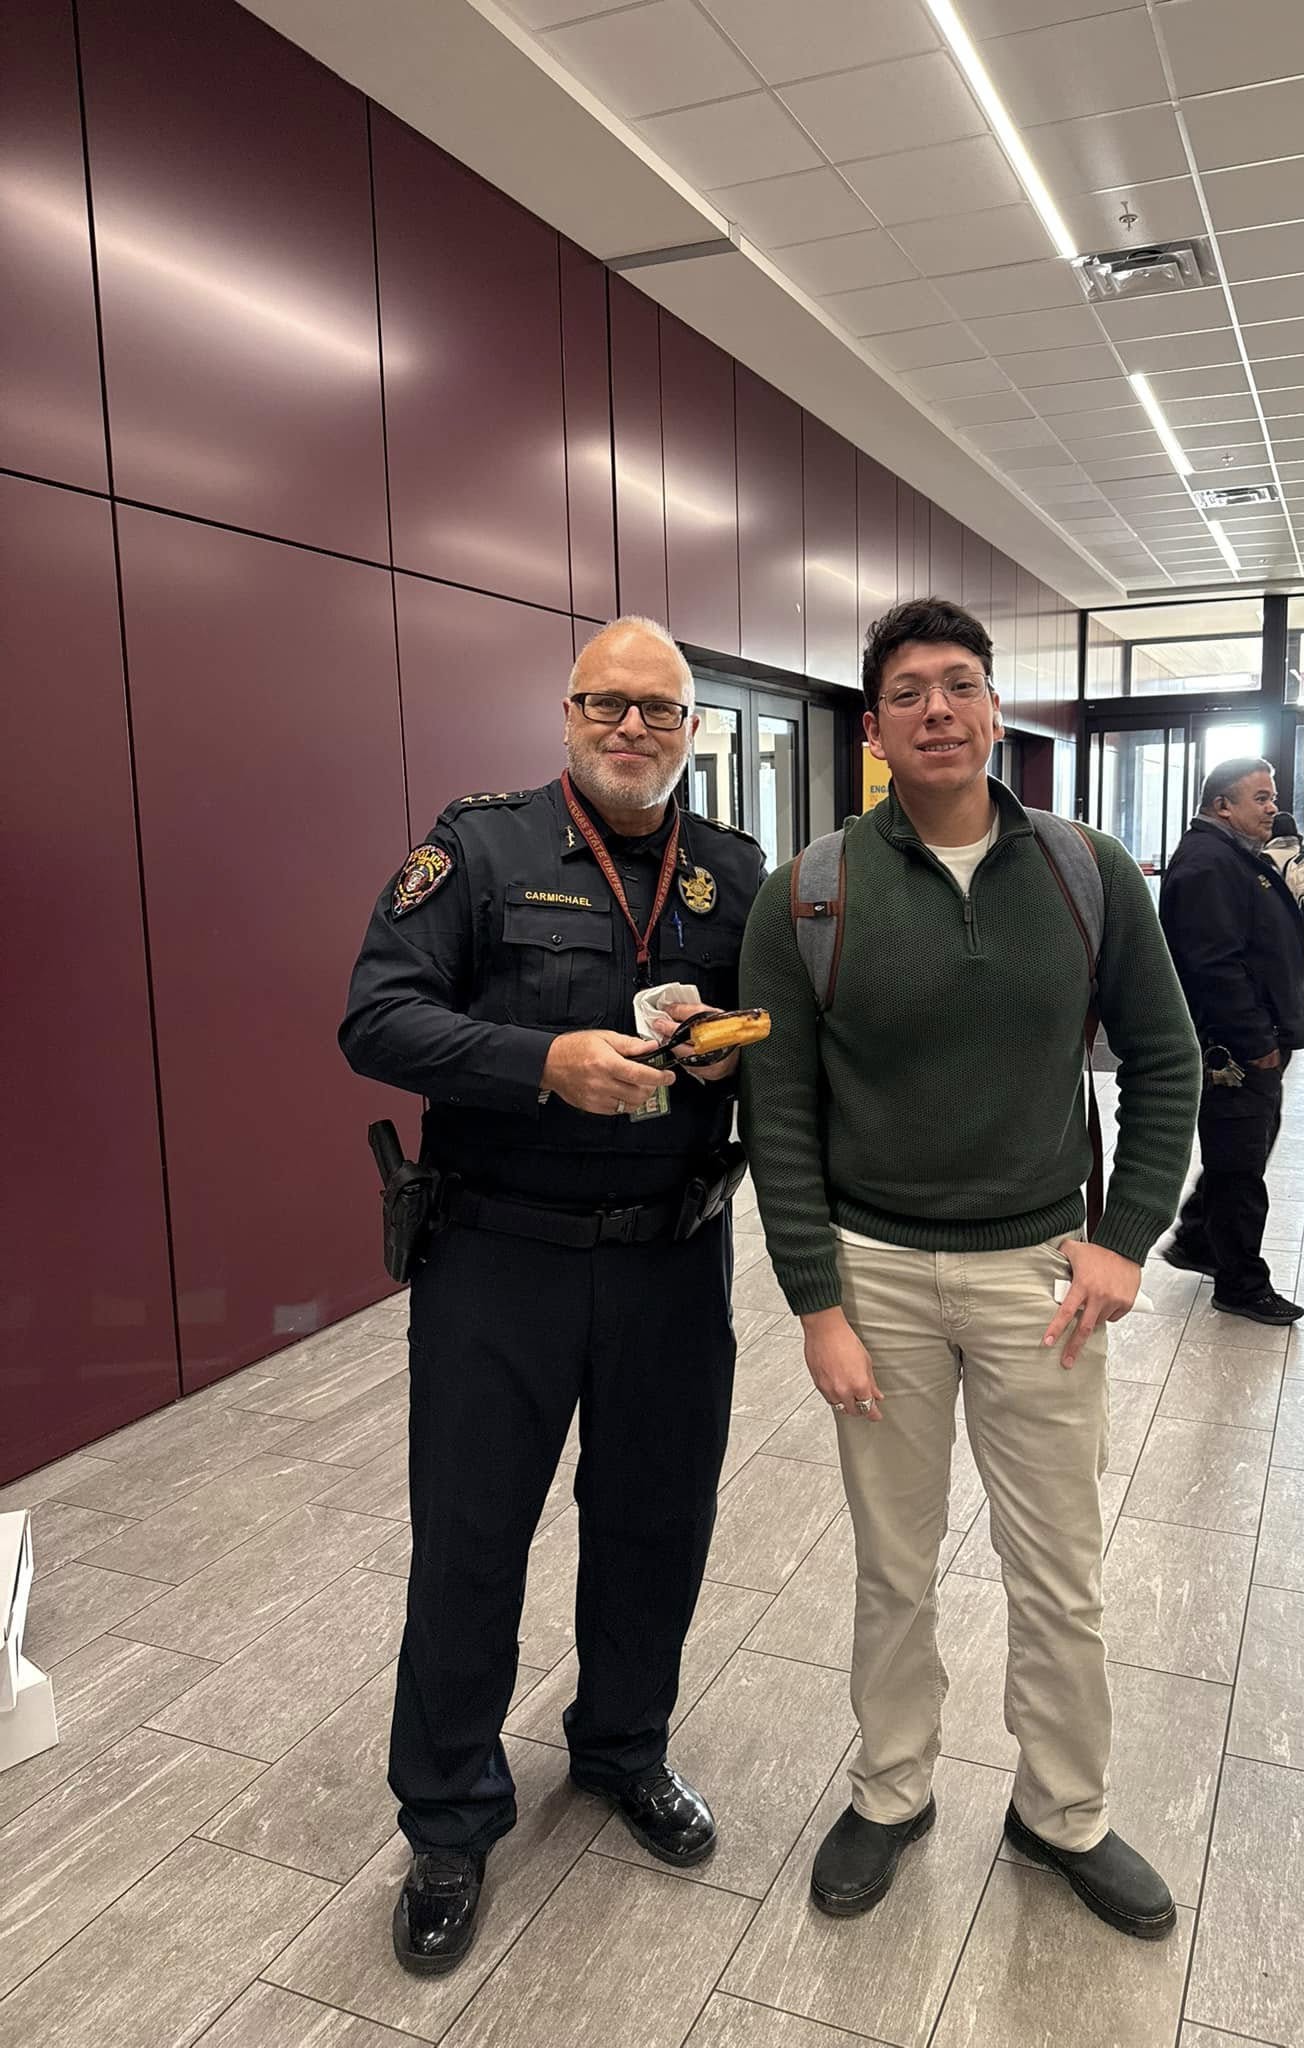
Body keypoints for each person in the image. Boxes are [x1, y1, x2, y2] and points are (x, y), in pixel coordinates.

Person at [738, 597, 1201, 1939]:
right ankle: (892, 1791)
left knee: (1058, 1566)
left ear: (994, 709)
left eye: (959, 685)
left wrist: (1127, 1241)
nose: (936, 710)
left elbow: (1167, 1060)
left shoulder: (1086, 870)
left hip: (1038, 1277)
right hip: (875, 1274)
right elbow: (779, 1116)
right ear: (873, 727)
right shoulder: (812, 892)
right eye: (908, 692)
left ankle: (1063, 1813)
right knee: (894, 1563)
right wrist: (816, 1304)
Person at [340, 616, 765, 1975]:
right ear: (569, 714)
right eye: (607, 703)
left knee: (656, 1524)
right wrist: (543, 1060)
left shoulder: (734, 876)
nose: (633, 727)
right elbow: (377, 1018)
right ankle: (451, 1818)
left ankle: (623, 1748)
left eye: (660, 709)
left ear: (695, 728)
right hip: (498, 1263)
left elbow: (783, 1046)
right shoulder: (476, 849)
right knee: (472, 1539)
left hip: (672, 1256)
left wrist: (725, 1062)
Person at [1158, 758, 1304, 1325]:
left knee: (1246, 1146)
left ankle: (1196, 1239)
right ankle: (1240, 1283)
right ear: (1222, 807)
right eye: (1260, 799)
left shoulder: (1240, 856)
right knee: (1240, 1164)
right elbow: (1213, 966)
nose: (1273, 808)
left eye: (1273, 797)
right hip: (1234, 1047)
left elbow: (1260, 926)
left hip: (1258, 1036)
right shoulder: (1206, 865)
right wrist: (1255, 1039)